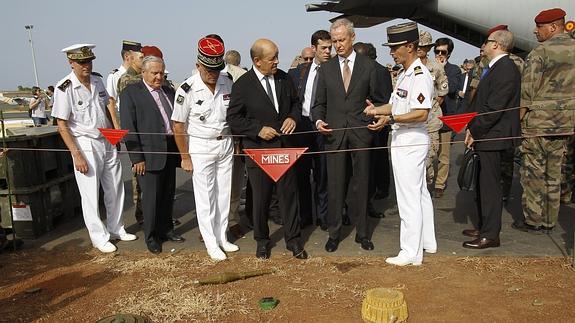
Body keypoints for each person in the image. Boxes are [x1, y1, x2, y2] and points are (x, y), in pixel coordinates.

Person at [227, 38, 308, 260]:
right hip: (258, 151)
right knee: (260, 200)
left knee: (289, 197)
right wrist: (257, 130)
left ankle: (294, 240)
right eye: (272, 58)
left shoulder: (283, 78)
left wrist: (293, 117)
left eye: (277, 56)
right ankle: (262, 241)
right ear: (257, 61)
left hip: (285, 149)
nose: (277, 62)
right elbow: (234, 118)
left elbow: (296, 103)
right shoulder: (243, 85)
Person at [52, 44, 136, 253]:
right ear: (71, 63)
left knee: (115, 186)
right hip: (84, 142)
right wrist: (76, 154)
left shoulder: (97, 81)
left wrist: (115, 130)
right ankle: (99, 236)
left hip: (105, 139)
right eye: (81, 62)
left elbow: (108, 103)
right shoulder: (65, 87)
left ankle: (116, 227)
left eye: (89, 61)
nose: (86, 66)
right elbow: (61, 125)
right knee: (90, 192)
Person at [312, 18, 387, 253]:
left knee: (362, 184)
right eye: (334, 41)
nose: (337, 45)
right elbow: (318, 104)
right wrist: (318, 120)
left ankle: (363, 233)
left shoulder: (369, 67)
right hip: (334, 135)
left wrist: (378, 117)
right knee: (335, 185)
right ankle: (334, 233)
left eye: (341, 40)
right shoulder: (325, 69)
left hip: (361, 134)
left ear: (352, 37)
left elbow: (380, 100)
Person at [364, 21, 436, 266]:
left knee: (408, 198)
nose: (391, 52)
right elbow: (395, 105)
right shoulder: (406, 73)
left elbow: (421, 112)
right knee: (419, 193)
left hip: (411, 138)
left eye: (395, 47)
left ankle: (410, 253)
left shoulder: (419, 74)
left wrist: (390, 118)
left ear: (410, 46)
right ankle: (427, 242)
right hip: (404, 136)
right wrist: (376, 111)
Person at [172, 36, 238, 261]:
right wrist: (185, 156)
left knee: (223, 193)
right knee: (205, 196)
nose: (212, 73)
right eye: (208, 68)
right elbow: (178, 125)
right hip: (201, 144)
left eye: (216, 68)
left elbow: (235, 116)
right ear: (198, 64)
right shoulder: (187, 89)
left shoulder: (227, 81)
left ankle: (222, 236)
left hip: (225, 142)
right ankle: (210, 241)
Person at [514, 8, 575, 232]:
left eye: (539, 27)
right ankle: (550, 221)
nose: (535, 31)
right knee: (554, 173)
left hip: (538, 125)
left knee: (533, 174)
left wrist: (519, 123)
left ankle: (534, 220)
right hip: (565, 124)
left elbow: (527, 94)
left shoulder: (540, 52)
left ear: (553, 27)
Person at [463, 29, 521, 249]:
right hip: (487, 134)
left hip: (494, 135)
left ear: (496, 45)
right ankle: (484, 225)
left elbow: (493, 109)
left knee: (490, 186)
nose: (483, 46)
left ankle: (490, 234)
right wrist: (471, 128)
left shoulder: (506, 69)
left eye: (486, 42)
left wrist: (475, 130)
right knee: (482, 183)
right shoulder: (494, 68)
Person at [120, 55, 183, 254]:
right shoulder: (131, 93)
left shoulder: (168, 91)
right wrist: (136, 157)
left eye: (161, 73)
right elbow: (129, 127)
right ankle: (152, 236)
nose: (158, 77)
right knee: (151, 199)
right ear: (143, 73)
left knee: (167, 194)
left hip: (170, 151)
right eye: (154, 73)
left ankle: (166, 229)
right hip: (148, 155)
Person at [289, 30, 332, 229]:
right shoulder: (298, 72)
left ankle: (324, 216)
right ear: (313, 48)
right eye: (323, 48)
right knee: (301, 174)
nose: (328, 52)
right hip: (303, 128)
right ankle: (305, 215)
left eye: (330, 48)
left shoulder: (335, 72)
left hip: (324, 129)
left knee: (323, 175)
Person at [353, 41, 393, 217]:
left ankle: (379, 191)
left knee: (375, 161)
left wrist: (372, 110)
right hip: (357, 126)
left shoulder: (380, 71)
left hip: (376, 125)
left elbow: (385, 99)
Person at [416, 31, 449, 190]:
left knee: (430, 155)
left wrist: (432, 107)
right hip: (413, 120)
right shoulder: (409, 67)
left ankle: (427, 184)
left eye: (423, 46)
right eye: (418, 45)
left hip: (431, 120)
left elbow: (442, 92)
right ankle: (420, 185)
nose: (420, 49)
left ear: (428, 47)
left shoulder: (436, 67)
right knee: (416, 157)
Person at [222, 49, 249, 239]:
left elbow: (243, 113)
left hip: (235, 139)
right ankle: (212, 224)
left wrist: (239, 139)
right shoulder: (197, 77)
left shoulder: (240, 77)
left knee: (235, 182)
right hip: (213, 141)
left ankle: (232, 220)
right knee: (213, 186)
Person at [433, 37, 461, 198]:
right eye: (437, 51)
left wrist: (441, 71)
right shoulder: (427, 67)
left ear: (449, 53)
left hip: (446, 117)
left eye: (443, 52)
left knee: (443, 155)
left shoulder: (454, 70)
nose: (439, 54)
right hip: (429, 117)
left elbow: (452, 89)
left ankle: (440, 184)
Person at [106, 40, 142, 129]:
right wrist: (116, 124)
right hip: (123, 120)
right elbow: (111, 101)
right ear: (127, 56)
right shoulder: (115, 76)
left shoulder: (140, 75)